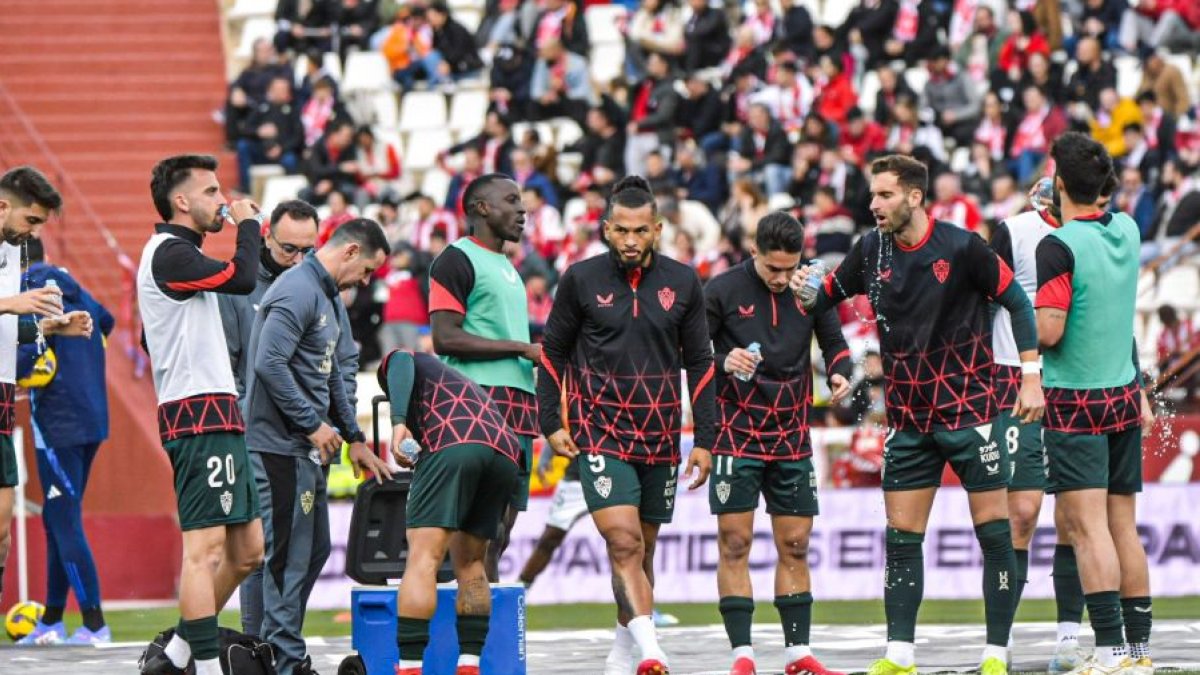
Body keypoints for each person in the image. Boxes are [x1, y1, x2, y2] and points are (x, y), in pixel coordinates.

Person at [797, 155, 1044, 675]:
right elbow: (823, 300)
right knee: (902, 541)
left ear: (914, 196)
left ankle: (996, 656)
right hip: (907, 422)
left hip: (971, 414)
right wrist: (815, 312)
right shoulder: (870, 250)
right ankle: (899, 656)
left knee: (994, 536)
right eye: (872, 194)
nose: (873, 204)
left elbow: (1019, 304)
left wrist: (1030, 375)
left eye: (884, 194)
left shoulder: (963, 246)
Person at [537, 175, 716, 675]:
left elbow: (701, 363)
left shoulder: (684, 281)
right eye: (622, 230)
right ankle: (653, 652)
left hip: (660, 436)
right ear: (606, 229)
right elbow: (552, 353)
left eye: (640, 230)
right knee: (624, 543)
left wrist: (705, 439)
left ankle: (621, 652)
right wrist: (549, 420)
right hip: (600, 433)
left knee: (644, 550)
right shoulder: (580, 279)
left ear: (657, 229)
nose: (631, 240)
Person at [705, 212, 853, 675]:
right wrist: (722, 359)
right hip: (735, 433)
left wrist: (840, 372)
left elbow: (835, 343)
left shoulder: (809, 289)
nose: (782, 278)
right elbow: (687, 351)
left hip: (792, 435)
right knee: (735, 543)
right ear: (754, 252)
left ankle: (797, 654)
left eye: (790, 268)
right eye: (773, 268)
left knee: (795, 544)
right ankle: (743, 656)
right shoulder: (721, 290)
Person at [244, 217, 394, 675]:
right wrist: (312, 425)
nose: (365, 281)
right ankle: (285, 659)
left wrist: (355, 439)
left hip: (307, 448)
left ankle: (275, 649)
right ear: (349, 252)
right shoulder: (297, 289)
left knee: (313, 553)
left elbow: (328, 376)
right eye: (367, 270)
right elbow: (269, 362)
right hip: (278, 445)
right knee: (287, 558)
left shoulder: (326, 295)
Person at [136, 155, 264, 675]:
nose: (222, 201)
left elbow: (148, 338)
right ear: (181, 201)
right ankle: (205, 669)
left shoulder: (180, 256)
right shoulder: (169, 253)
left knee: (248, 551)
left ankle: (175, 657)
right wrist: (249, 224)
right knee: (205, 552)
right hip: (196, 413)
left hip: (217, 409)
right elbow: (242, 276)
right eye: (211, 191)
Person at [1035, 132, 1155, 675]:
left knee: (1088, 530)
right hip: (1124, 393)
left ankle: (1108, 654)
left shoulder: (1056, 246)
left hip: (1075, 400)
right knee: (1123, 526)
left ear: (1059, 184)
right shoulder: (1128, 229)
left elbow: (1050, 331)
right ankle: (1138, 652)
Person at [216, 199, 360, 643]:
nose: (298, 258)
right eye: (288, 249)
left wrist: (336, 420)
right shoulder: (237, 288)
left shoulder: (322, 287)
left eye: (307, 249)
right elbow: (230, 366)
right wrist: (251, 417)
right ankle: (259, 646)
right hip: (260, 436)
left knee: (310, 550)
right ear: (266, 237)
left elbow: (342, 361)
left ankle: (276, 644)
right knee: (264, 549)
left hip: (314, 439)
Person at [989, 178, 1092, 673]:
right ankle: (1001, 639)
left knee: (1074, 517)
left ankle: (1068, 639)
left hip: (1076, 379)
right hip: (1014, 375)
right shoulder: (1012, 231)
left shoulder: (1095, 235)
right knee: (1022, 514)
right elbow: (984, 301)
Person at [428, 174, 541, 581]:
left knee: (501, 531)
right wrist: (521, 348)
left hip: (519, 401)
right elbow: (445, 337)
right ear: (481, 208)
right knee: (476, 529)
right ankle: (472, 615)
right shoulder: (456, 258)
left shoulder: (508, 266)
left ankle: (485, 613)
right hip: (478, 399)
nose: (522, 209)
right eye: (511, 200)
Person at [382, 350, 522, 675]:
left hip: (455, 439)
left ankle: (409, 669)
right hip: (504, 450)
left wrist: (398, 422)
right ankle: (469, 666)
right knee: (472, 563)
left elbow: (401, 359)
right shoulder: (456, 381)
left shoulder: (409, 365)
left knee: (423, 559)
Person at [0, 166, 94, 610]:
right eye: (31, 221)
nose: (34, 232)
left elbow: (6, 330)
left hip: (3, 396)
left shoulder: (11, 250)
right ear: (3, 206)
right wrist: (9, 302)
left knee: (3, 530)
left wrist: (48, 327)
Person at [15, 238, 114, 645]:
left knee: (64, 520)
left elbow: (22, 357)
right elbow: (106, 320)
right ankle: (52, 620)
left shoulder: (27, 289)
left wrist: (33, 366)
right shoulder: (73, 284)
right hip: (92, 416)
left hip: (58, 421)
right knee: (56, 518)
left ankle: (94, 624)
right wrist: (82, 362)